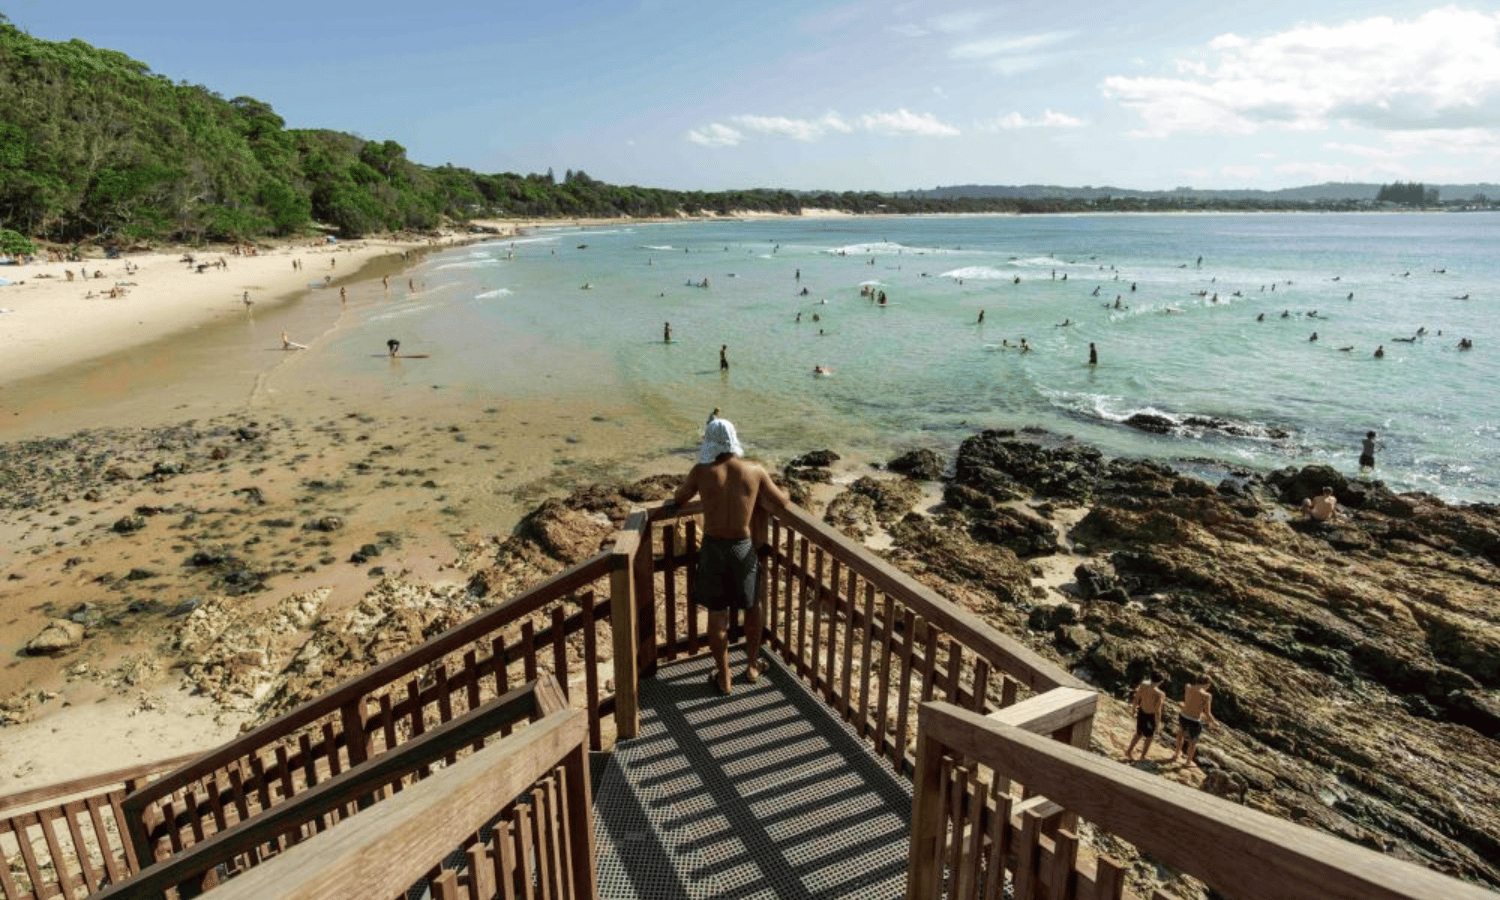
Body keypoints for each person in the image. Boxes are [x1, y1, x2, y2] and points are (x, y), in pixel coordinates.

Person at [669, 417, 791, 695]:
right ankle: (751, 666)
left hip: (714, 548)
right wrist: (786, 490)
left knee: (717, 613)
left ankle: (724, 677)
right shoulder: (755, 470)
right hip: (743, 547)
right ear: (734, 439)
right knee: (752, 606)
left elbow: (679, 498)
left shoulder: (701, 471)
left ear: (709, 441)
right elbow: (781, 502)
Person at [1170, 676, 1216, 766]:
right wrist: (1214, 722)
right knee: (1193, 742)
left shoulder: (1188, 687)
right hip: (1194, 720)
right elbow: (1207, 713)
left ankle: (1176, 755)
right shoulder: (1207, 696)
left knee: (1180, 735)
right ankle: (1188, 762)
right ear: (1207, 684)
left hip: (1183, 716)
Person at [1124, 672, 1166, 761]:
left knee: (1138, 733)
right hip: (1151, 716)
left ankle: (1129, 751)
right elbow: (1158, 711)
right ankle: (1143, 756)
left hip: (1141, 712)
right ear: (1160, 682)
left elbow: (1136, 698)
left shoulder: (1143, 685)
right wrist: (1158, 725)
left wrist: (1133, 710)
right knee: (1149, 737)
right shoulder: (1160, 694)